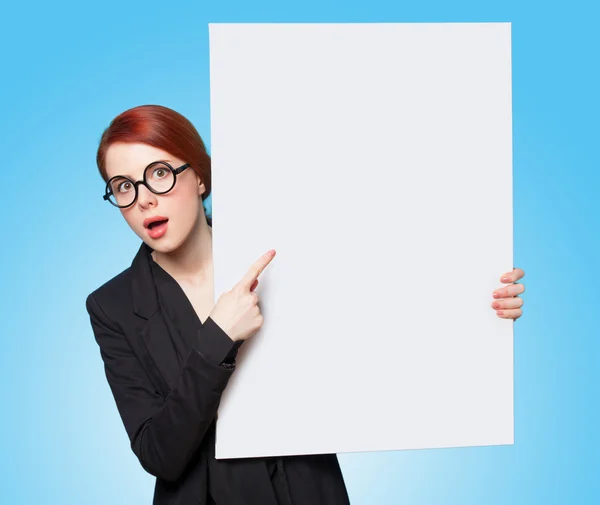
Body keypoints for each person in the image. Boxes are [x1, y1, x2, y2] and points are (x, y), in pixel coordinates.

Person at [85, 104, 526, 505]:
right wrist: (217, 337)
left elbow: (386, 310)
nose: (143, 198)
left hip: (309, 490)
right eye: (122, 186)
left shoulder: (285, 248)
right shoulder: (113, 306)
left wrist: (481, 299)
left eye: (159, 172)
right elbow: (159, 453)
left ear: (199, 176)